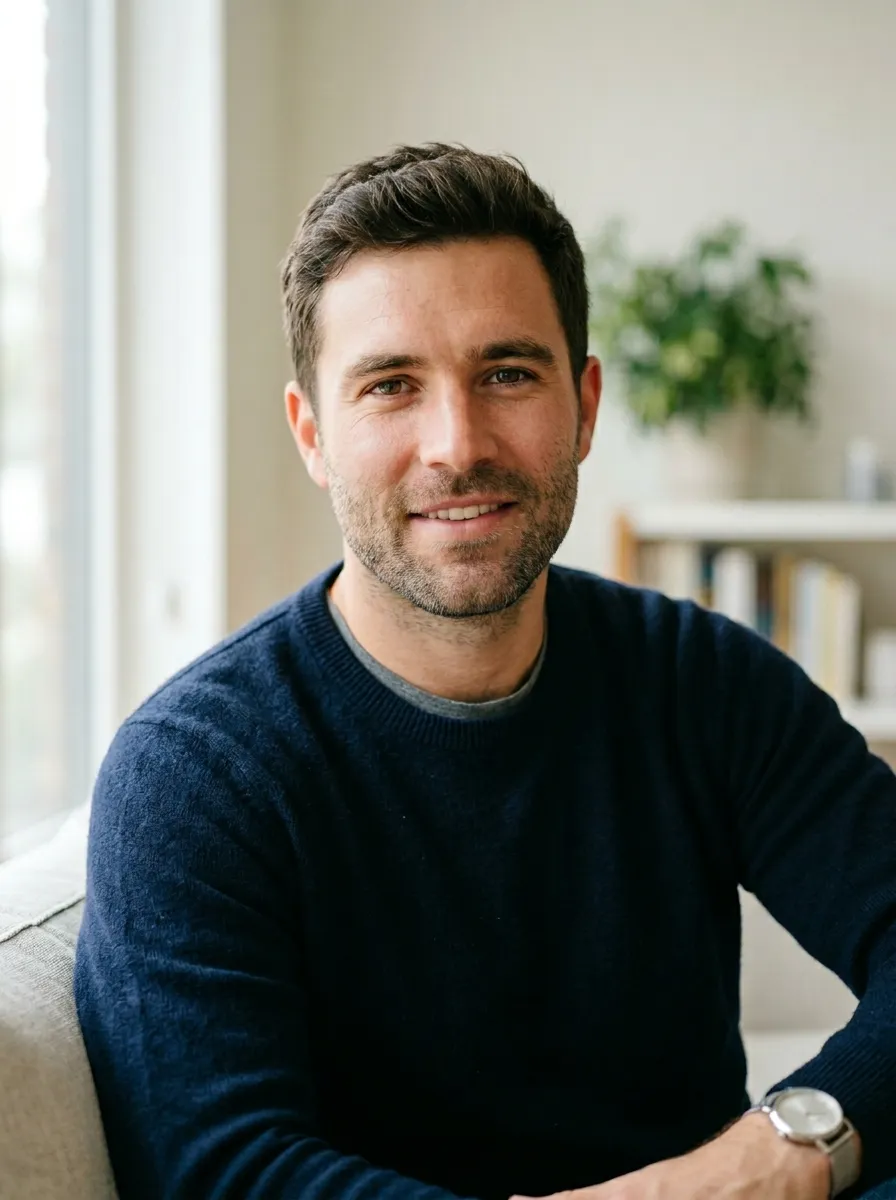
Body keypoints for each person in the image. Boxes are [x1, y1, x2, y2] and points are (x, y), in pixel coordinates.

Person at [74, 143, 896, 1200]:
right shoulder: (193, 774)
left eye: (506, 373)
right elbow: (221, 1169)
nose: (455, 444)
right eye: (390, 386)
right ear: (312, 433)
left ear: (585, 405)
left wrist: (778, 1155)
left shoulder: (702, 682)